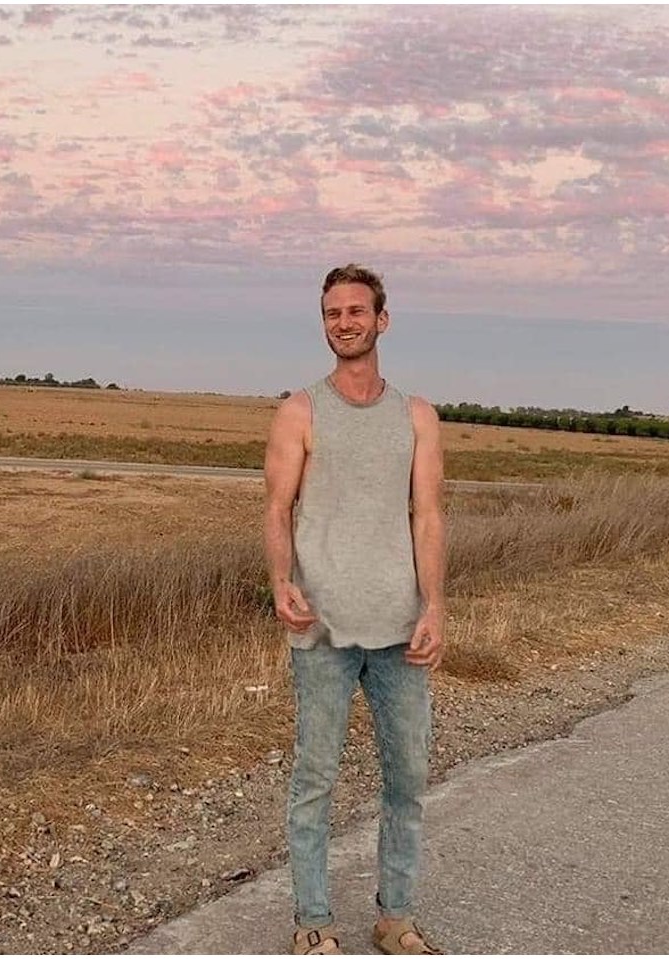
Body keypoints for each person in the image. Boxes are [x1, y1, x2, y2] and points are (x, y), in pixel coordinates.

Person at [264, 264, 448, 956]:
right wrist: (281, 579)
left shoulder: (416, 416)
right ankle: (312, 919)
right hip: (322, 628)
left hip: (401, 630)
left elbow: (428, 515)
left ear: (382, 320)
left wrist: (435, 605)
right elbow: (277, 507)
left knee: (408, 778)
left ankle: (394, 915)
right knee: (316, 776)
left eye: (355, 311)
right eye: (332, 313)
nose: (344, 322)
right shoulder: (299, 412)